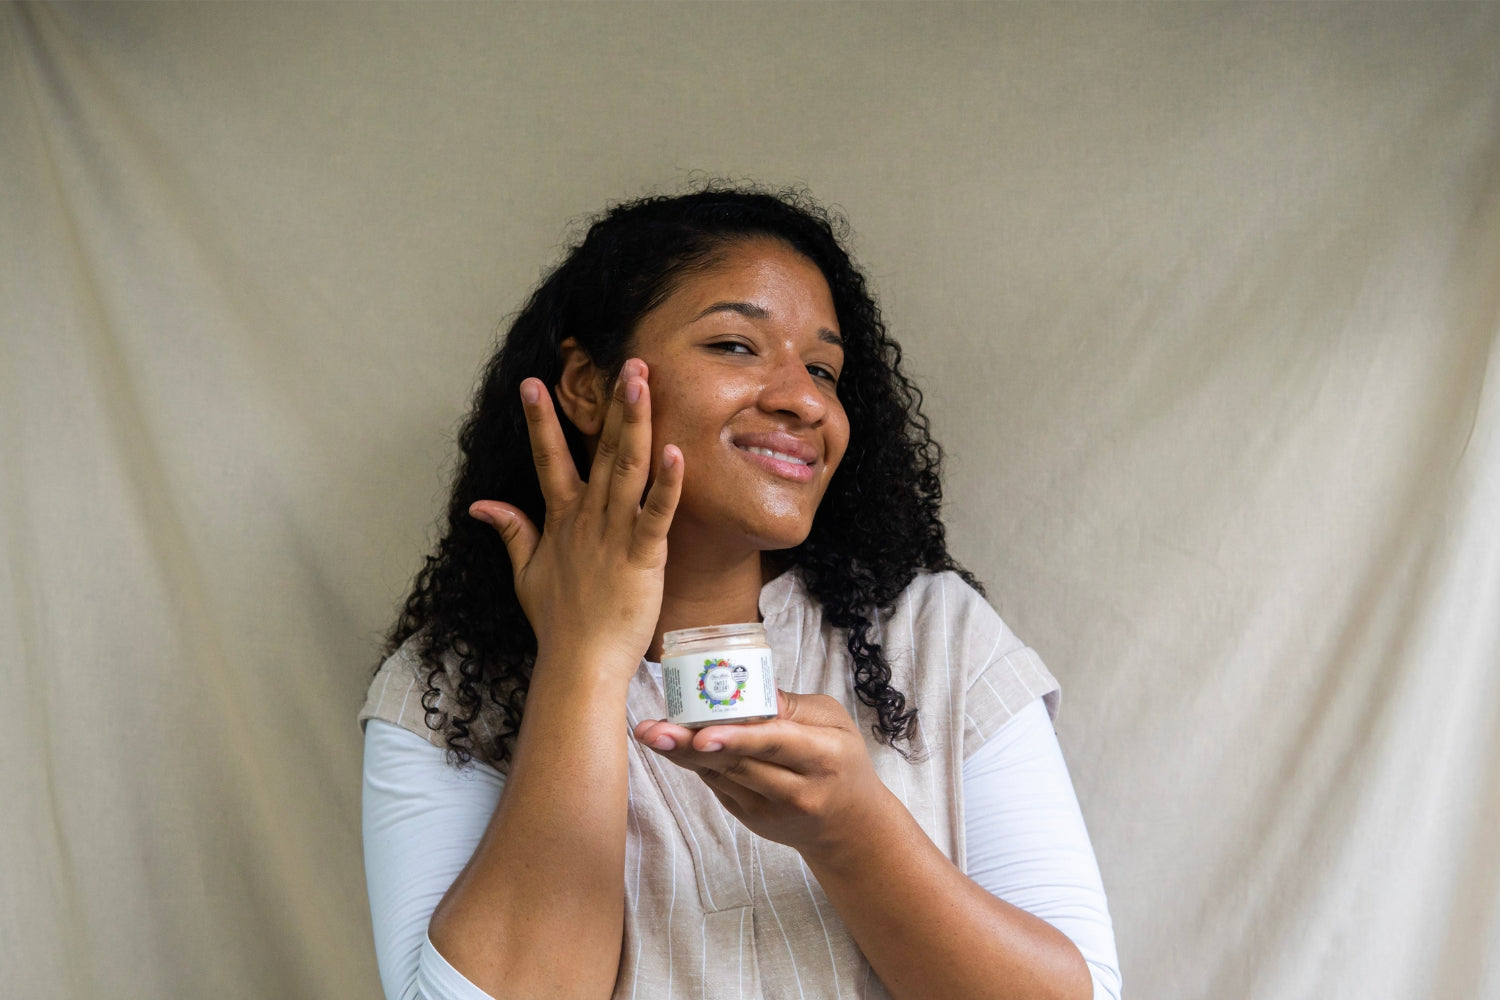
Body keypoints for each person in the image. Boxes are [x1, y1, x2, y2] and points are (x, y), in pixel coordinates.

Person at [360, 187, 1122, 1000]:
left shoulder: (934, 636)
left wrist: (851, 829)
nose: (806, 399)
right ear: (586, 384)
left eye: (823, 370)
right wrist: (582, 661)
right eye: (734, 345)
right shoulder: (450, 687)